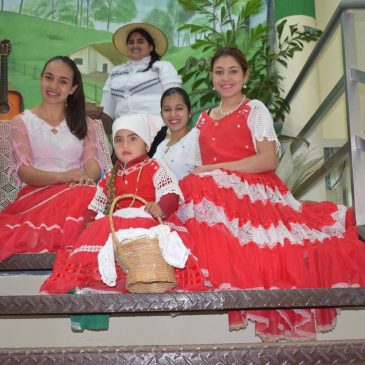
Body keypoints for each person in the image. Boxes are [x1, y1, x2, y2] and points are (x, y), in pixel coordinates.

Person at [172, 47, 365, 341]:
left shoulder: (255, 109)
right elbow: (200, 168)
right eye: (219, 72)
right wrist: (208, 173)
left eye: (233, 71)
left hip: (255, 192)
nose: (226, 78)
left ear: (245, 76)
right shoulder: (202, 120)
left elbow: (267, 160)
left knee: (280, 244)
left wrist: (219, 169)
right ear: (211, 78)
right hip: (220, 194)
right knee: (191, 187)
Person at [40, 113, 205, 300]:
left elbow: (171, 193)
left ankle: (148, 274)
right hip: (115, 225)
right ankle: (100, 279)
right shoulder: (111, 174)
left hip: (146, 221)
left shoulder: (154, 166)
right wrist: (88, 223)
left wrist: (161, 207)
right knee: (99, 230)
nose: (125, 145)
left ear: (146, 145)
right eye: (119, 140)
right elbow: (96, 205)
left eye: (132, 138)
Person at [0, 56, 104, 262]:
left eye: (63, 81)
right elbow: (24, 171)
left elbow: (93, 164)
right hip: (37, 197)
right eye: (49, 78)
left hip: (77, 192)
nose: (54, 86)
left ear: (73, 88)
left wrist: (83, 178)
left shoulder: (85, 123)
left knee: (90, 194)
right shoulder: (22, 122)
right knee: (84, 197)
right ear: (41, 79)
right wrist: (63, 177)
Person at [101, 23, 182, 120]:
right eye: (131, 42)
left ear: (151, 47)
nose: (135, 45)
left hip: (155, 127)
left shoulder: (163, 67)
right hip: (122, 130)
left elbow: (175, 99)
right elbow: (106, 110)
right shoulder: (115, 72)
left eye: (140, 42)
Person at [154, 87, 194, 180]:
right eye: (167, 110)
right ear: (161, 114)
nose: (173, 114)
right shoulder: (161, 145)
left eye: (179, 108)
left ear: (190, 112)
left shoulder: (195, 140)